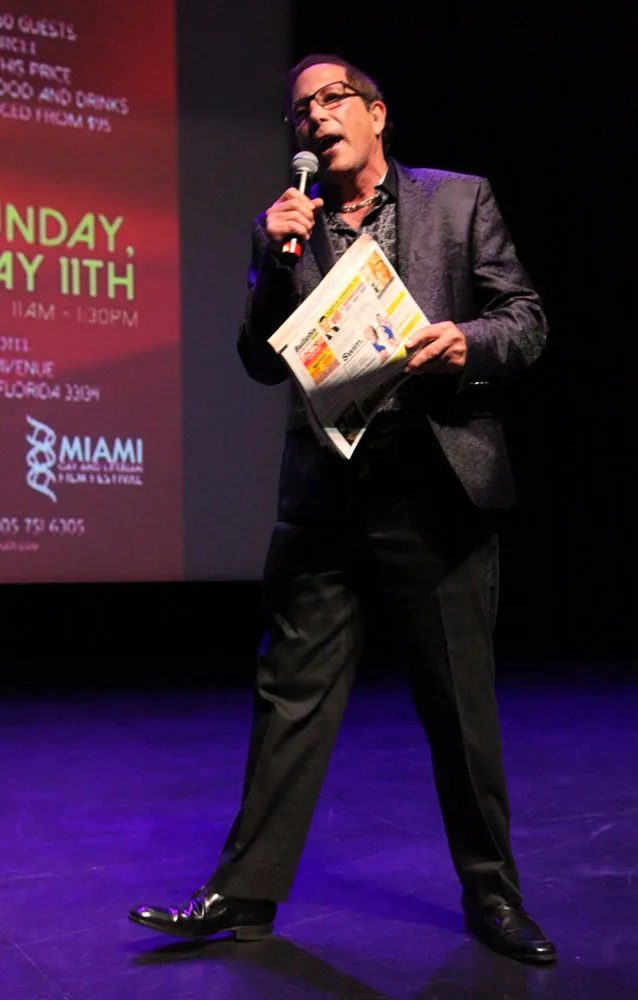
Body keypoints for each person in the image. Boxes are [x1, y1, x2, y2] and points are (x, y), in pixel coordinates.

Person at [130, 53, 555, 964]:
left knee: (459, 707)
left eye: (332, 100)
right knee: (290, 696)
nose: (315, 118)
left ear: (377, 114)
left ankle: (494, 897)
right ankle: (241, 895)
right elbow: (258, 360)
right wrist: (269, 256)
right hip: (327, 491)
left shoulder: (457, 201)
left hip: (434, 486)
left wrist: (467, 342)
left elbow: (525, 320)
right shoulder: (287, 222)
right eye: (300, 111)